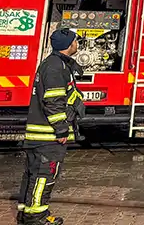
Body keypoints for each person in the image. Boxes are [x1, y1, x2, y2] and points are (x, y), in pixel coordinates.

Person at [18, 29, 85, 224]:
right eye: (75, 41)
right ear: (68, 45)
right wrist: (61, 129)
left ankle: (26, 213)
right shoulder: (56, 68)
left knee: (33, 174)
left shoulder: (54, 64)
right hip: (48, 137)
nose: (77, 44)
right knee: (44, 176)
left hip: (40, 136)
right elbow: (53, 101)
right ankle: (36, 217)